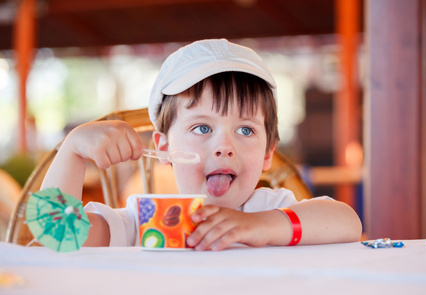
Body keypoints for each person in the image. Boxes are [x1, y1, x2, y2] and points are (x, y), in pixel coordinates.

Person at [41, 39, 362, 250]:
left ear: (268, 153)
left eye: (245, 131)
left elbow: (348, 223)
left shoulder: (269, 208)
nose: (224, 146)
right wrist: (72, 151)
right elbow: (56, 235)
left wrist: (261, 226)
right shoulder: (146, 221)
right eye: (203, 127)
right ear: (163, 147)